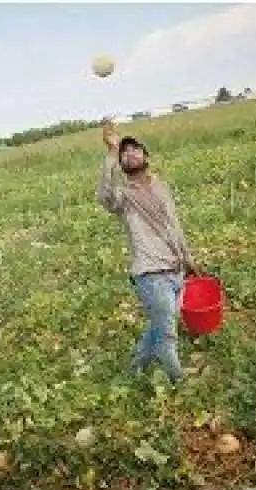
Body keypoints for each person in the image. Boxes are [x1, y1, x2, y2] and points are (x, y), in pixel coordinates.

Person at [95, 119, 201, 386]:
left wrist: (187, 260)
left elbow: (174, 226)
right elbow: (104, 196)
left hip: (175, 271)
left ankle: (134, 370)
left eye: (135, 149)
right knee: (167, 336)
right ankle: (180, 383)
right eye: (124, 152)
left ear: (146, 156)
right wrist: (110, 153)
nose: (130, 153)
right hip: (151, 275)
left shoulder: (161, 188)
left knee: (157, 327)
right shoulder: (123, 197)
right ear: (122, 164)